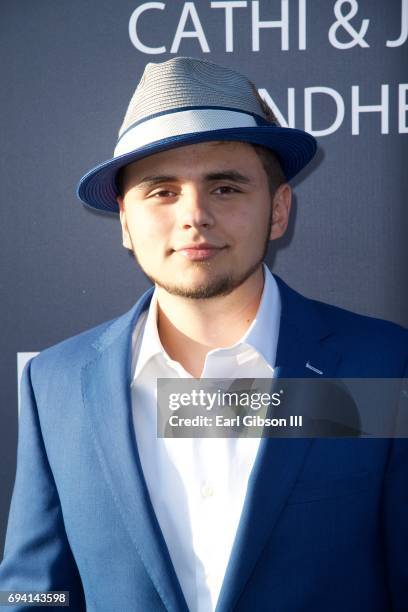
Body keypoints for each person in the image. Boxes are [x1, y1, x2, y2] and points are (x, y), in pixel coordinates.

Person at [0, 57, 407, 612]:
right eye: (162, 191)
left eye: (224, 187)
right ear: (124, 220)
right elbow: (34, 593)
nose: (194, 215)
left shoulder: (381, 366)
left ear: (279, 208)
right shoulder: (55, 384)